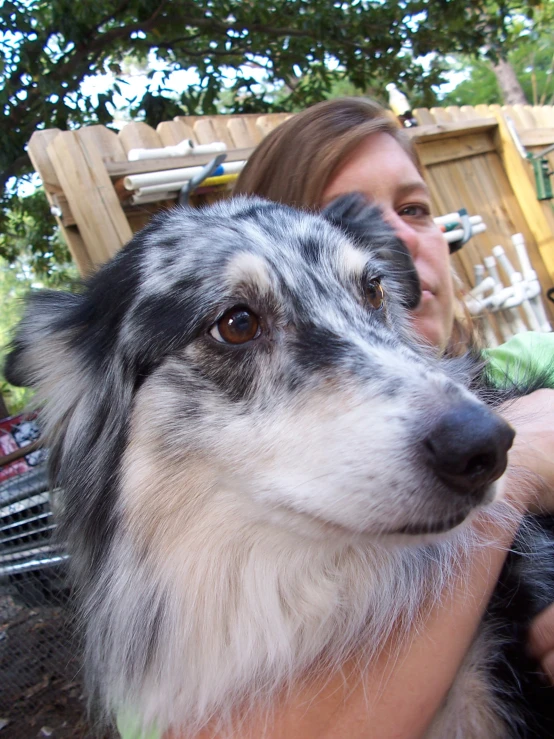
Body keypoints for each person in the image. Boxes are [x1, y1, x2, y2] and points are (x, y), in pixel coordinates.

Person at [121, 98, 554, 739]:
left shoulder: (538, 359)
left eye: (414, 209)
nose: (400, 240)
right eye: (239, 324)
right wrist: (516, 474)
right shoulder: (162, 658)